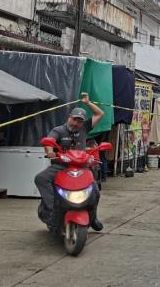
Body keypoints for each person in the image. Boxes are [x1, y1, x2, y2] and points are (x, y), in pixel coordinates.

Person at [35, 93, 104, 231]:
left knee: (95, 191)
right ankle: (52, 210)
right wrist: (49, 152)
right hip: (61, 166)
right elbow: (50, 141)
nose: (76, 123)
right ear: (69, 117)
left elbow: (100, 114)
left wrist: (88, 102)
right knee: (41, 178)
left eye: (79, 121)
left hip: (82, 167)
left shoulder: (84, 127)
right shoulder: (59, 130)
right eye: (74, 119)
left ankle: (93, 217)